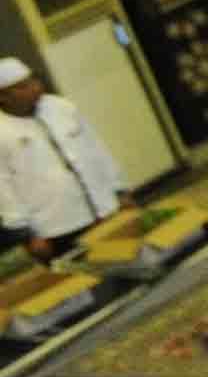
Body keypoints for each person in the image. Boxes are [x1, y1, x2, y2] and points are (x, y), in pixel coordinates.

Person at [0, 59, 123, 253]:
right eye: (23, 87)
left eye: (33, 81)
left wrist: (119, 188)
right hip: (57, 227)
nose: (35, 88)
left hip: (103, 207)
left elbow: (96, 148)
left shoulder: (61, 107)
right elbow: (3, 189)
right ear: (3, 97)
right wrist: (27, 234)